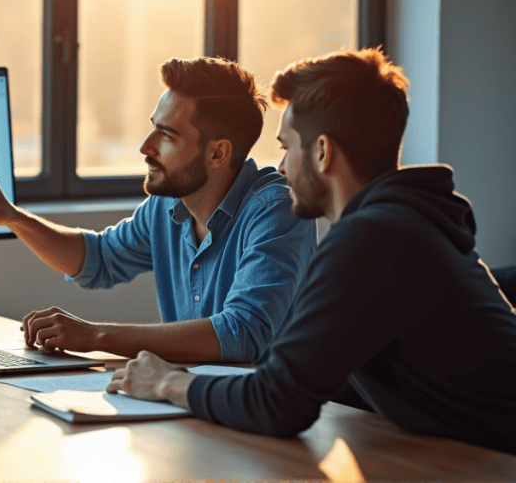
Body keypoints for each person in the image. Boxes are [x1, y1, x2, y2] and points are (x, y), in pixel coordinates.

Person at [108, 48, 516, 455]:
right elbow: (311, 378)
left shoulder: (373, 239)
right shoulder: (400, 228)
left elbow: (278, 403)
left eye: (287, 147)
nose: (281, 169)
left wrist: (168, 382)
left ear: (322, 152)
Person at [0, 56, 316, 363]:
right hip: (193, 402)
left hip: (269, 422)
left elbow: (243, 333)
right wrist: (14, 217)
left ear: (218, 153)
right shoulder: (166, 206)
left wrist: (95, 335)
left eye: (168, 136)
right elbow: (98, 259)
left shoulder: (277, 209)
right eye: (152, 129)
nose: (145, 147)